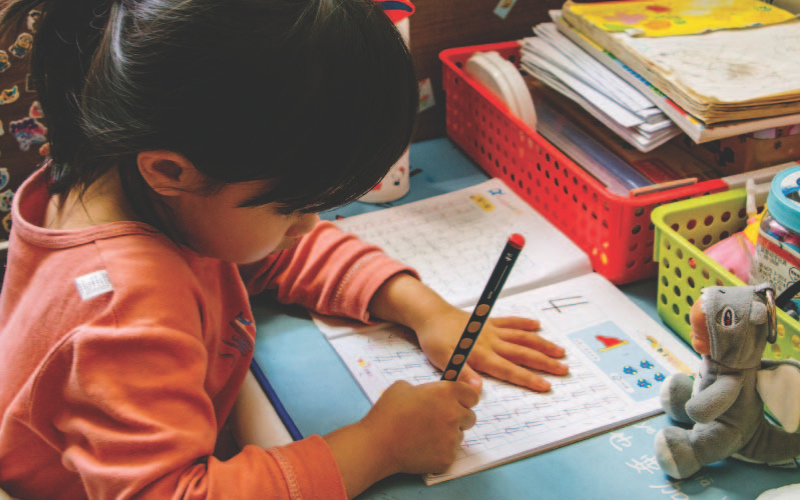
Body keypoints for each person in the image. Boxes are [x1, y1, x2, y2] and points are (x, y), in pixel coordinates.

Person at [0, 0, 569, 498]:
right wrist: (378, 446)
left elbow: (272, 248)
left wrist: (425, 311)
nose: (309, 224)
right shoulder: (127, 315)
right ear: (171, 170)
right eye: (292, 207)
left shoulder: (126, 177)